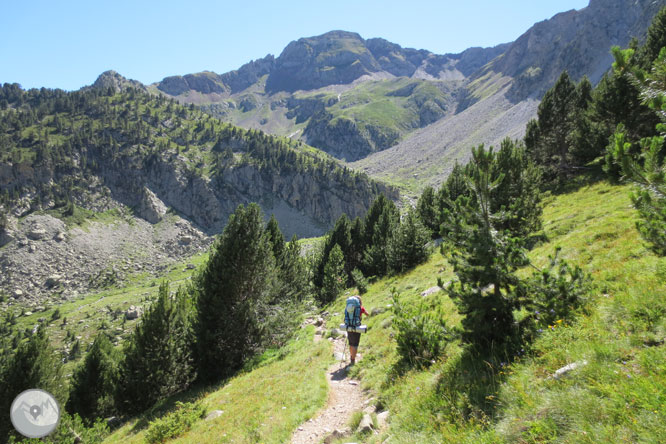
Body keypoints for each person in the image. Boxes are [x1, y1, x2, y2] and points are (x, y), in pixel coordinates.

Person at [347, 296, 368, 365]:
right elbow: (367, 314)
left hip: (349, 327)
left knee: (351, 343)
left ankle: (351, 356)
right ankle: (353, 359)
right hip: (357, 327)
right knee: (355, 345)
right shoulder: (361, 308)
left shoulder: (348, 307)